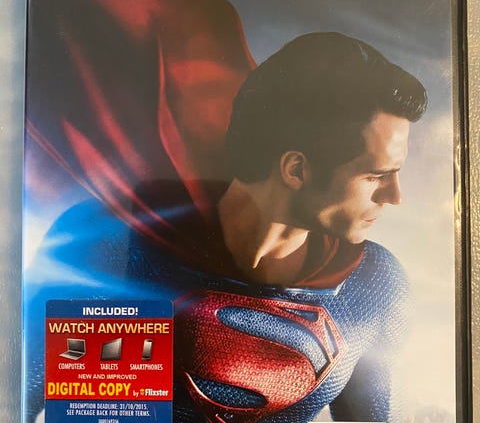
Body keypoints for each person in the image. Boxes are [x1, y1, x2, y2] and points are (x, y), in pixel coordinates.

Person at [24, 33, 427, 423]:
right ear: (296, 169)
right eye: (376, 176)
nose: (395, 196)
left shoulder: (374, 285)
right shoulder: (111, 242)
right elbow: (16, 398)